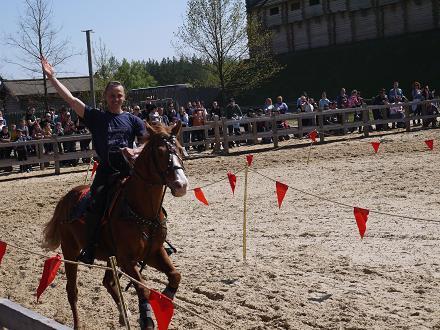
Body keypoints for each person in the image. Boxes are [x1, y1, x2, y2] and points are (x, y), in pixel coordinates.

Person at [41, 56, 147, 264]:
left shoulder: (134, 120)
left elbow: (146, 143)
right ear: (105, 97)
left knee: (150, 202)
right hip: (106, 173)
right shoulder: (96, 117)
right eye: (111, 96)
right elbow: (71, 100)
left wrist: (136, 152)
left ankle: (153, 242)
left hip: (130, 172)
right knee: (96, 205)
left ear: (124, 97)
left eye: (118, 95)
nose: (115, 98)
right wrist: (52, 78)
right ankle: (90, 247)